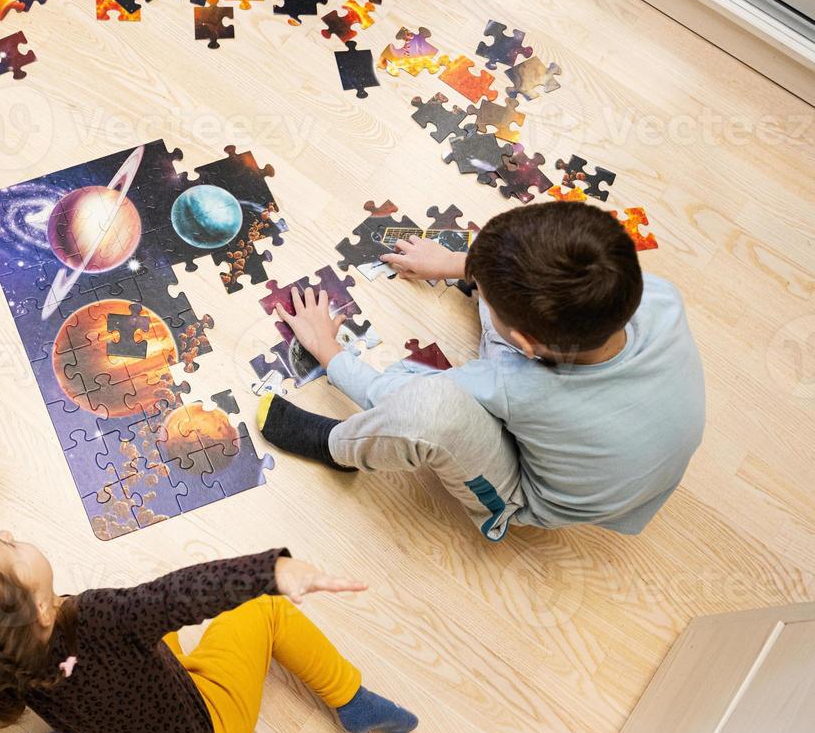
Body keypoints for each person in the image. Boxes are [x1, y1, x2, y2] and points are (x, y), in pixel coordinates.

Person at [258, 203, 705, 539]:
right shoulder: (659, 296)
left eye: (481, 286)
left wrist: (329, 351)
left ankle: (337, 449)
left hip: (529, 498)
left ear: (528, 347)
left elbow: (389, 396)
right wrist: (456, 264)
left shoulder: (513, 382)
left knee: (426, 412)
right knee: (527, 277)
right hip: (629, 457)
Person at [0, 531, 417, 733]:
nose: (10, 536)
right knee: (266, 614)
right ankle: (351, 700)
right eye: (6, 550)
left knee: (110, 684)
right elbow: (176, 596)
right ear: (38, 606)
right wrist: (270, 574)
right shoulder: (101, 618)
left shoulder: (0, 667)